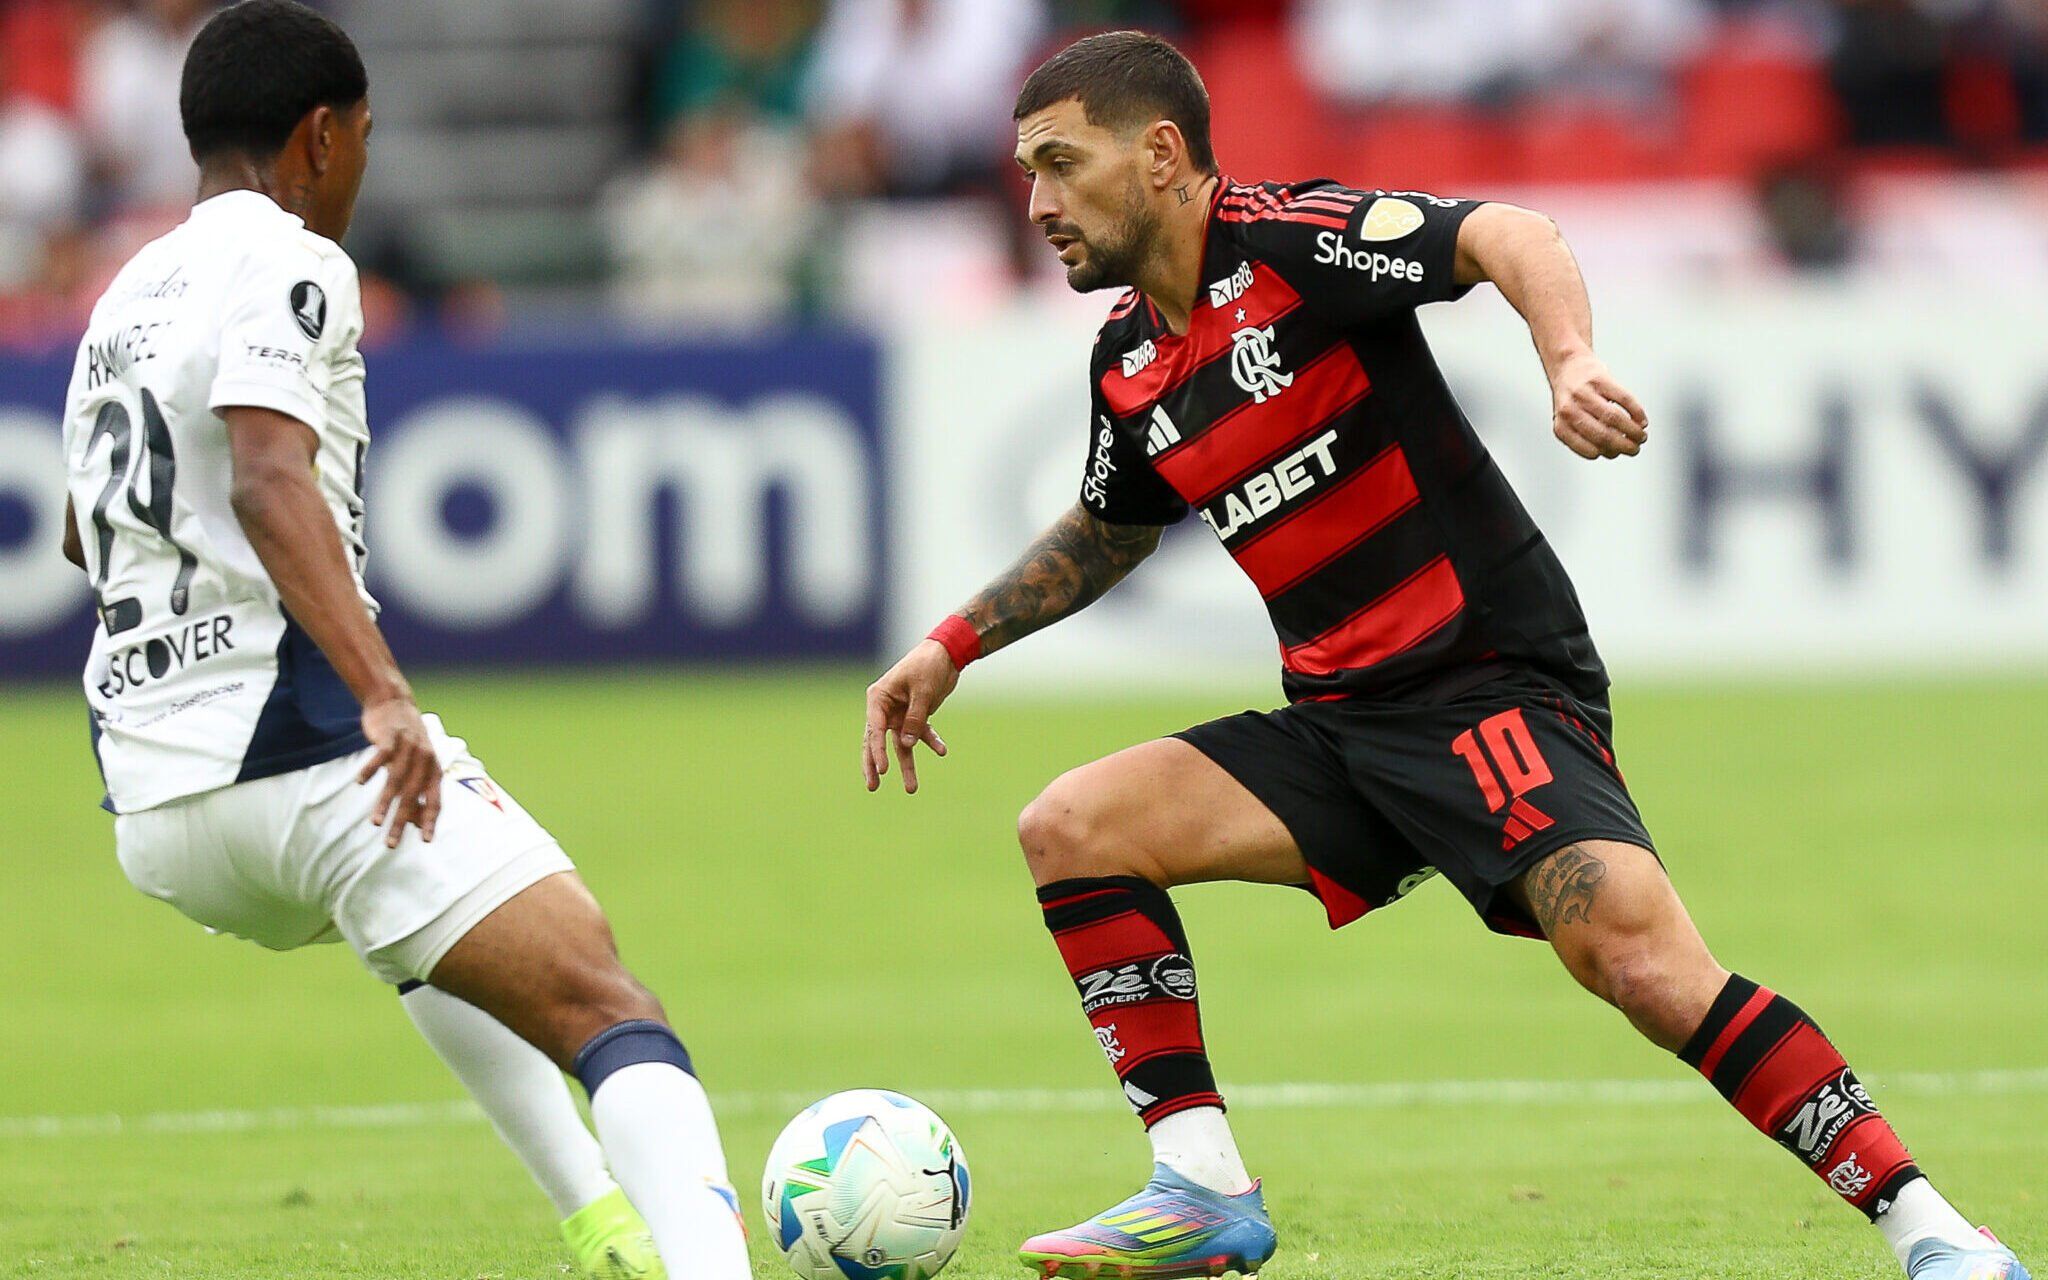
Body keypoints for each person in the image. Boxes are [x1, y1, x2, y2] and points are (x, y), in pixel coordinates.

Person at [862, 30, 2032, 1280]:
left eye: (1057, 162)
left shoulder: (1294, 243)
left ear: (1158, 155)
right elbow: (1112, 525)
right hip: (1337, 727)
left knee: (1636, 962)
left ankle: (1936, 1234)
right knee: (1073, 826)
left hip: (1483, 685)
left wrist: (1568, 358)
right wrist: (952, 642)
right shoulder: (1131, 358)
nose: (1033, 202)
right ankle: (1200, 1186)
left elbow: (1508, 234)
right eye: (1025, 170)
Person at [57, 6, 746, 1278]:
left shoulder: (122, 293)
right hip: (304, 756)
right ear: (318, 136)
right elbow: (269, 475)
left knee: (430, 924)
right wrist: (383, 695)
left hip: (153, 803)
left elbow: (75, 536)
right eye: (364, 138)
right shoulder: (291, 257)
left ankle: (599, 1222)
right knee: (604, 999)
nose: (363, 168)